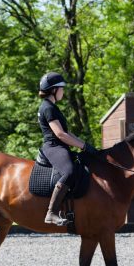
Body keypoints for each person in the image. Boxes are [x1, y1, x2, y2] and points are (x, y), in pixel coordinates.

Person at [37, 72, 97, 226]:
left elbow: (67, 132)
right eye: (61, 88)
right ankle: (51, 213)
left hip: (60, 145)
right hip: (53, 146)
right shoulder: (48, 108)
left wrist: (85, 145)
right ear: (53, 90)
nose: (63, 91)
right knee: (69, 171)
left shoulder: (52, 107)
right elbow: (60, 134)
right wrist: (83, 146)